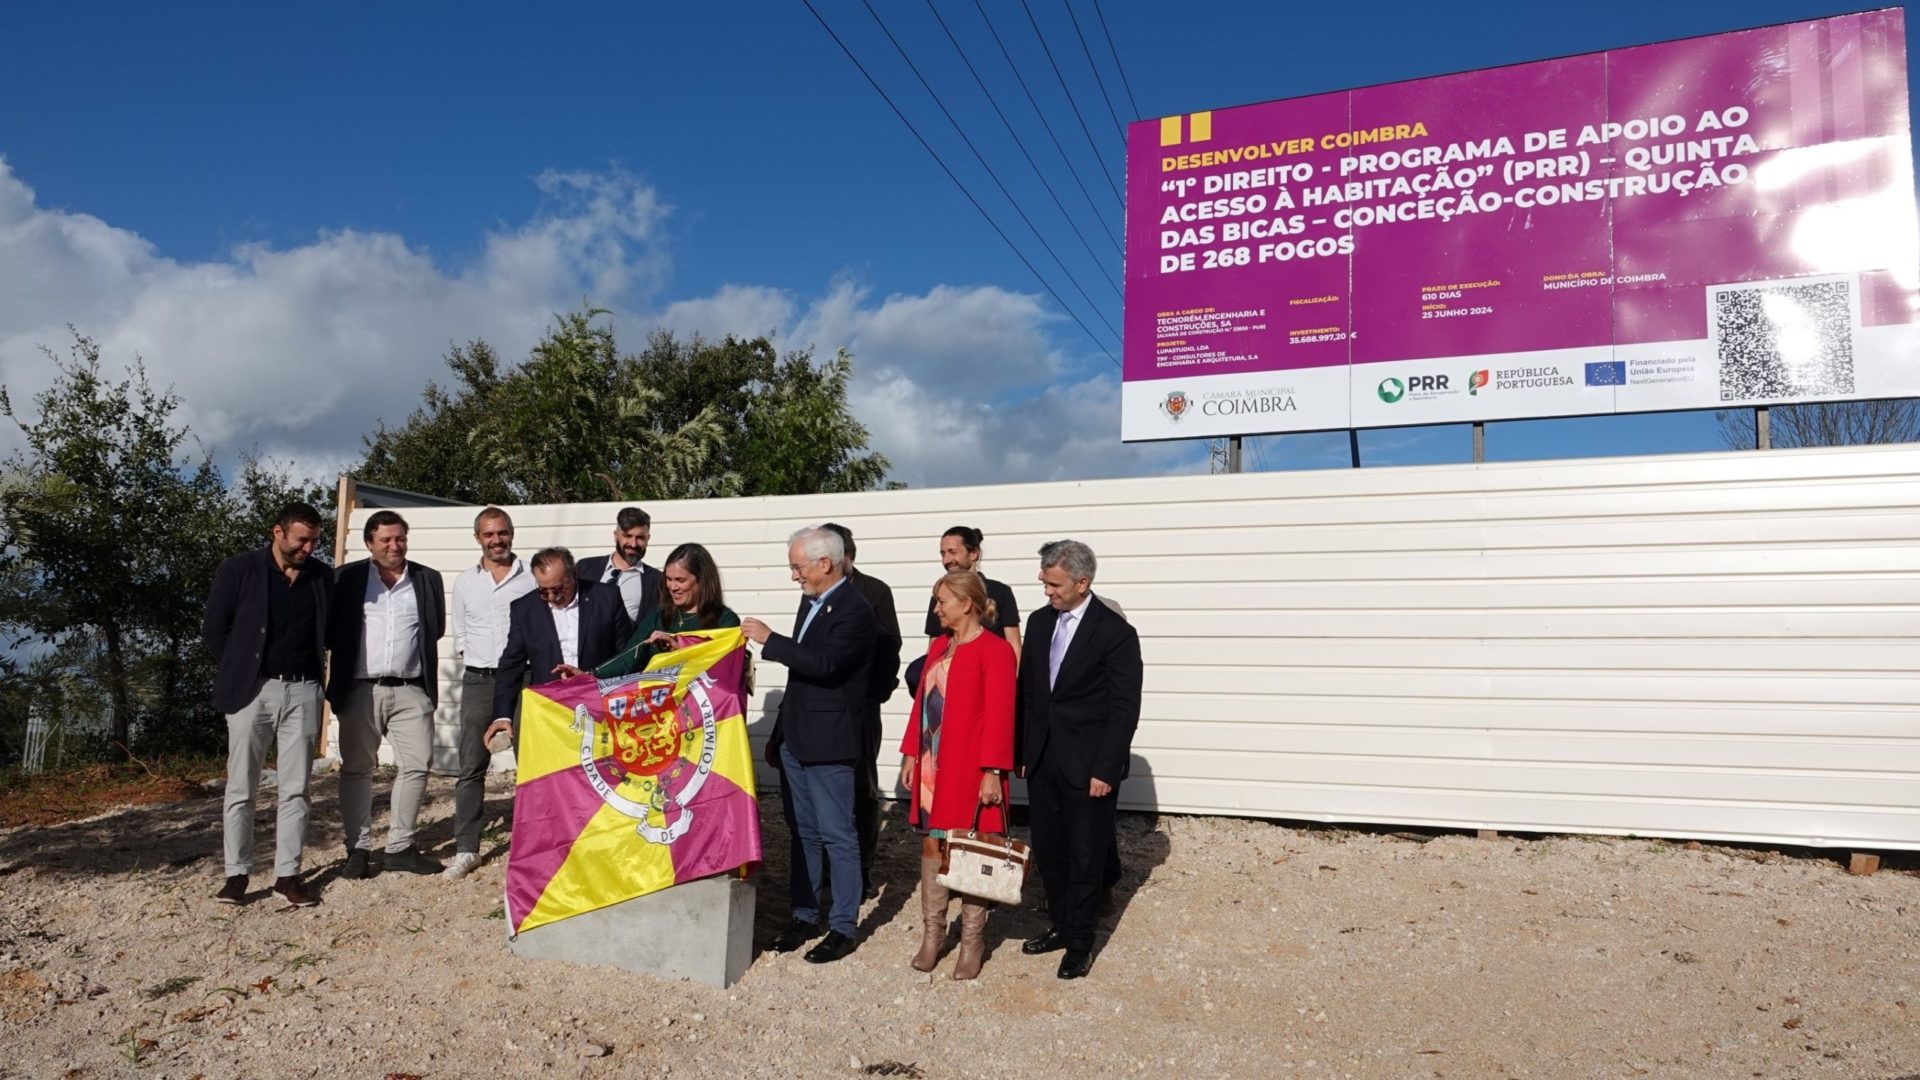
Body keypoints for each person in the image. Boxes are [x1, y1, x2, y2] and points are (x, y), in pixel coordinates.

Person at [742, 526, 876, 965]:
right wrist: (780, 735)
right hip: (797, 739)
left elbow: (825, 664)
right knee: (803, 832)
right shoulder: (812, 601)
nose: (793, 576)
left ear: (825, 563)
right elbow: (802, 679)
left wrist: (771, 640)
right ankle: (804, 915)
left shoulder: (856, 610)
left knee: (838, 835)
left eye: (798, 567)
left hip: (830, 742)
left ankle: (842, 927)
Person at [1015, 539, 1142, 980]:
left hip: (1089, 767)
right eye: (1044, 580)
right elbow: (1029, 691)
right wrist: (1023, 750)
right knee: (1050, 851)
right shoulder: (1037, 623)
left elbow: (1124, 708)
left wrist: (1105, 769)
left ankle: (1083, 942)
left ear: (1082, 582)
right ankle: (1062, 926)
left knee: (1086, 855)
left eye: (1053, 583)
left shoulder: (1115, 634)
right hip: (1045, 761)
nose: (1045, 589)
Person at [202, 502, 331, 907]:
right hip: (252, 692)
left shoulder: (323, 578)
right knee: (241, 787)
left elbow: (331, 633)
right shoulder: (239, 569)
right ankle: (236, 874)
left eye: (313, 541)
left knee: (297, 789)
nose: (307, 548)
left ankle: (287, 875)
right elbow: (212, 629)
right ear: (277, 532)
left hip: (305, 690)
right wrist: (241, 669)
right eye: (300, 540)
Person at [899, 570, 1015, 980]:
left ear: (966, 604)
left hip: (972, 768)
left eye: (942, 602)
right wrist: (911, 753)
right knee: (934, 847)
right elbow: (921, 707)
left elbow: (1002, 717)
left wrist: (992, 771)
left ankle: (971, 942)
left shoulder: (996, 651)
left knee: (971, 850)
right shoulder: (939, 649)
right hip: (934, 768)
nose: (936, 609)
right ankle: (933, 935)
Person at [327, 511, 447, 879]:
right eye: (386, 540)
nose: (395, 546)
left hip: (411, 688)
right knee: (358, 770)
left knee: (416, 765)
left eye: (400, 539)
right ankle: (358, 849)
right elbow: (331, 632)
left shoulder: (427, 579)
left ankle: (399, 847)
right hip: (361, 688)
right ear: (369, 544)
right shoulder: (346, 579)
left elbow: (435, 628)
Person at [444, 506, 537, 881]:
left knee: (531, 766)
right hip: (480, 680)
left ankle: (533, 845)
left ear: (511, 534)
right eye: (488, 534)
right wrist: (475, 657)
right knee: (470, 767)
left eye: (502, 533)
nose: (496, 540)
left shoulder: (531, 577)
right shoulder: (466, 582)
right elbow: (461, 632)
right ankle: (467, 848)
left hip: (524, 680)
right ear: (478, 538)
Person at [821, 522, 901, 900]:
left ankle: (863, 868)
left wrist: (876, 695)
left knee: (860, 788)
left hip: (860, 708)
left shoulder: (874, 592)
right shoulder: (814, 592)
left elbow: (890, 648)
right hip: (821, 711)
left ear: (845, 556)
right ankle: (825, 868)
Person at [486, 547, 634, 744]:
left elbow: (627, 654)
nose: (552, 597)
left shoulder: (606, 598)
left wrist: (593, 677)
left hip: (600, 705)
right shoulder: (525, 609)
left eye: (557, 589)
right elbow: (512, 663)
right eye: (543, 591)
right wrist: (502, 716)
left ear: (574, 574)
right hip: (551, 710)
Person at [594, 542, 739, 678]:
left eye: (680, 580)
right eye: (669, 579)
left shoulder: (725, 620)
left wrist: (679, 650)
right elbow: (626, 659)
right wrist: (590, 675)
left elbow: (723, 670)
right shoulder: (659, 618)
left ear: (701, 580)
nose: (673, 587)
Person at [922, 526, 1021, 656]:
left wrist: (1011, 675)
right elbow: (933, 648)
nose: (946, 560)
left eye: (952, 552)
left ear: (974, 554)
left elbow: (1014, 645)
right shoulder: (939, 596)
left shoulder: (1000, 592)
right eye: (943, 553)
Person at [575, 506, 660, 625]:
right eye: (627, 536)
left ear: (648, 539)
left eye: (640, 537)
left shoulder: (657, 581)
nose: (633, 544)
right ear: (616, 535)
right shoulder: (585, 568)